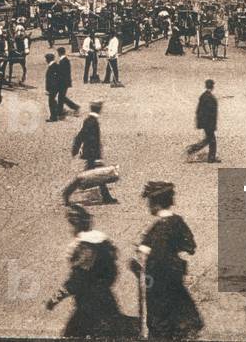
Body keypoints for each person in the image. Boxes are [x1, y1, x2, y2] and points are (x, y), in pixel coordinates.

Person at [44, 204, 131, 338]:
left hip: (87, 304)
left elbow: (77, 278)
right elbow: (113, 272)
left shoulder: (85, 247)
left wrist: (55, 299)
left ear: (75, 224)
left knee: (71, 335)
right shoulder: (104, 243)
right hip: (107, 299)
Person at [131, 181, 204, 339]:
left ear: (155, 204)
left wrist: (142, 254)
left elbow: (156, 254)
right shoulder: (177, 221)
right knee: (178, 302)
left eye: (149, 203)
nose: (148, 207)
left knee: (160, 313)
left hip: (159, 277)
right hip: (175, 273)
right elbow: (190, 246)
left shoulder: (160, 227)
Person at [68, 101, 117, 204]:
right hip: (92, 155)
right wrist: (96, 157)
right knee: (92, 176)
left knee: (97, 176)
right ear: (99, 109)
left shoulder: (90, 120)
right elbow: (90, 140)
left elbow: (80, 136)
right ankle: (66, 193)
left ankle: (106, 197)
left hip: (91, 154)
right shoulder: (92, 122)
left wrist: (75, 149)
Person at [185, 79, 220, 163]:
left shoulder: (204, 96)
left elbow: (199, 111)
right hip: (209, 124)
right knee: (211, 141)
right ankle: (210, 158)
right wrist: (211, 125)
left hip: (206, 123)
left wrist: (201, 123)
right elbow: (210, 113)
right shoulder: (209, 97)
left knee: (208, 140)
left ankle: (192, 150)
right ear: (212, 86)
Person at [46, 49, 79, 121]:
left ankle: (60, 113)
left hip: (62, 83)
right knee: (61, 97)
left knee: (59, 98)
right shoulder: (62, 61)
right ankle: (60, 111)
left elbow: (61, 74)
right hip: (62, 83)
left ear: (59, 53)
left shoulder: (62, 61)